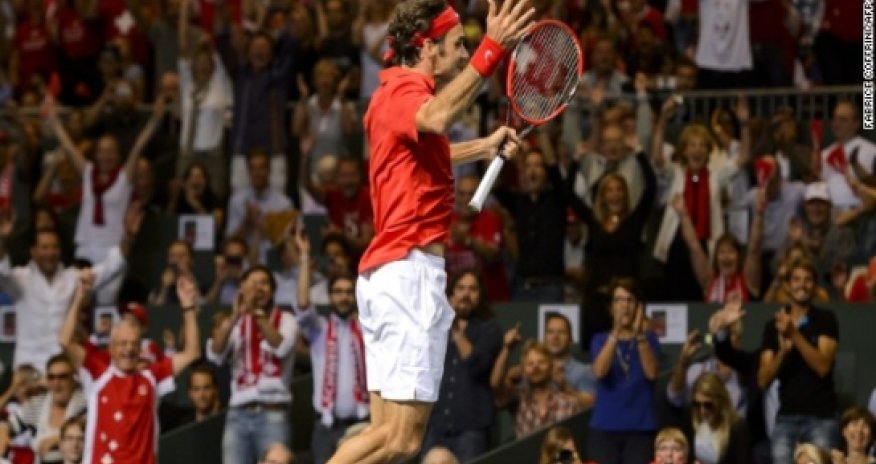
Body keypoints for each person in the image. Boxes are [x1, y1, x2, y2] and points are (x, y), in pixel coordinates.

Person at [328, 0, 533, 460]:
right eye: (457, 45)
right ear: (426, 48)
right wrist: (492, 49)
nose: (464, 55)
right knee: (401, 440)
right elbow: (438, 118)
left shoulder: (389, 95)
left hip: (389, 276)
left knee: (387, 437)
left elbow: (425, 152)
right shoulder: (406, 90)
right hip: (408, 276)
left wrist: (482, 147)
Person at [57, 271, 201, 464]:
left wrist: (188, 307)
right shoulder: (97, 372)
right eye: (123, 343)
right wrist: (78, 297)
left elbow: (192, 352)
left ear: (141, 348)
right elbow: (65, 341)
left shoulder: (152, 376)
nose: (129, 349)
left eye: (134, 344)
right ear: (111, 348)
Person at [0, 219, 125, 372]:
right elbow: (1, 273)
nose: (50, 253)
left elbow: (110, 268)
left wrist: (129, 237)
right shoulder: (20, 279)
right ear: (33, 251)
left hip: (62, 366)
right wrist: (2, 239)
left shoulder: (72, 278)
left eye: (55, 247)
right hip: (28, 367)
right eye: (45, 248)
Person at [207, 266, 299, 464]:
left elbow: (280, 347)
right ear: (242, 289)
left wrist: (257, 312)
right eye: (253, 283)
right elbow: (215, 353)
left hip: (273, 413)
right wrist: (234, 316)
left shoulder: (287, 319)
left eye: (264, 283)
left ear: (272, 290)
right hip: (237, 414)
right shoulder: (236, 322)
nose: (259, 288)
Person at [295, 229, 368, 464]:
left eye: (348, 292)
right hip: (326, 426)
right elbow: (303, 305)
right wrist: (304, 258)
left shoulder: (367, 329)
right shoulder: (320, 329)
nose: (344, 297)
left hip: (361, 423)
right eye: (338, 292)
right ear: (329, 297)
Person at [757, 258, 840, 463]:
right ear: (787, 285)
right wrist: (783, 352)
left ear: (815, 285)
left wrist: (793, 334)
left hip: (822, 417)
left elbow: (823, 366)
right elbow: (763, 380)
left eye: (808, 279)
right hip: (786, 418)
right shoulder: (773, 326)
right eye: (796, 279)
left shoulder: (825, 319)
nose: (802, 285)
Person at [423, 270, 502, 461]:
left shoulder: (489, 329)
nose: (466, 294)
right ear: (451, 294)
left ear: (480, 295)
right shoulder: (435, 329)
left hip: (471, 428)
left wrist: (456, 330)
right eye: (460, 288)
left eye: (472, 289)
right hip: (436, 424)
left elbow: (477, 365)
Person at [589, 278, 661, 464]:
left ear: (638, 307)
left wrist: (639, 335)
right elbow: (599, 372)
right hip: (605, 428)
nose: (625, 306)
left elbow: (652, 374)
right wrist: (615, 333)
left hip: (640, 428)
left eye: (630, 300)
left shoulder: (649, 339)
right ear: (611, 307)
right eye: (619, 300)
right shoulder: (600, 339)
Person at [0, 354, 86, 463]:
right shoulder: (38, 403)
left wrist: (59, 439)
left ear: (73, 379)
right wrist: (3, 431)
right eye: (51, 377)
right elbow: (10, 423)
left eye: (62, 377)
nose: (56, 382)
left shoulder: (85, 403)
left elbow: (93, 433)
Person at [491, 338, 581, 438]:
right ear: (523, 371)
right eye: (530, 364)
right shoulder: (518, 399)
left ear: (551, 367)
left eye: (541, 362)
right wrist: (507, 348)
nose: (536, 367)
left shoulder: (568, 403)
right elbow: (495, 383)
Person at [681, 372, 751, 464]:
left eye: (708, 405)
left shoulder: (736, 428)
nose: (702, 411)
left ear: (720, 401)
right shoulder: (690, 418)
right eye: (697, 404)